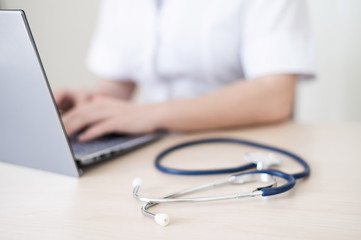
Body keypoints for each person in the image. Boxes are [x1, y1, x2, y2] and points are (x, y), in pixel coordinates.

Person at [54, 0, 315, 142]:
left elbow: (274, 96)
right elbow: (119, 82)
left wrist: (153, 113)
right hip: (145, 147)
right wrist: (91, 107)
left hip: (236, 145)